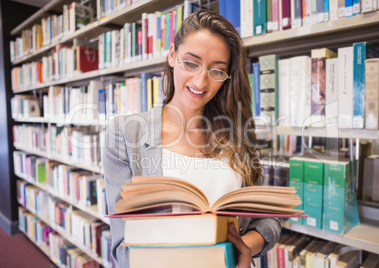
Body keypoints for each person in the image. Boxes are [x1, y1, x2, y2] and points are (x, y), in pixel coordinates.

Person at [103, 9, 281, 268]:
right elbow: (123, 247)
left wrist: (246, 247)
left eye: (217, 71)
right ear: (173, 55)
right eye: (191, 63)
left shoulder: (235, 134)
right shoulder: (126, 133)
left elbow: (268, 219)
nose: (201, 80)